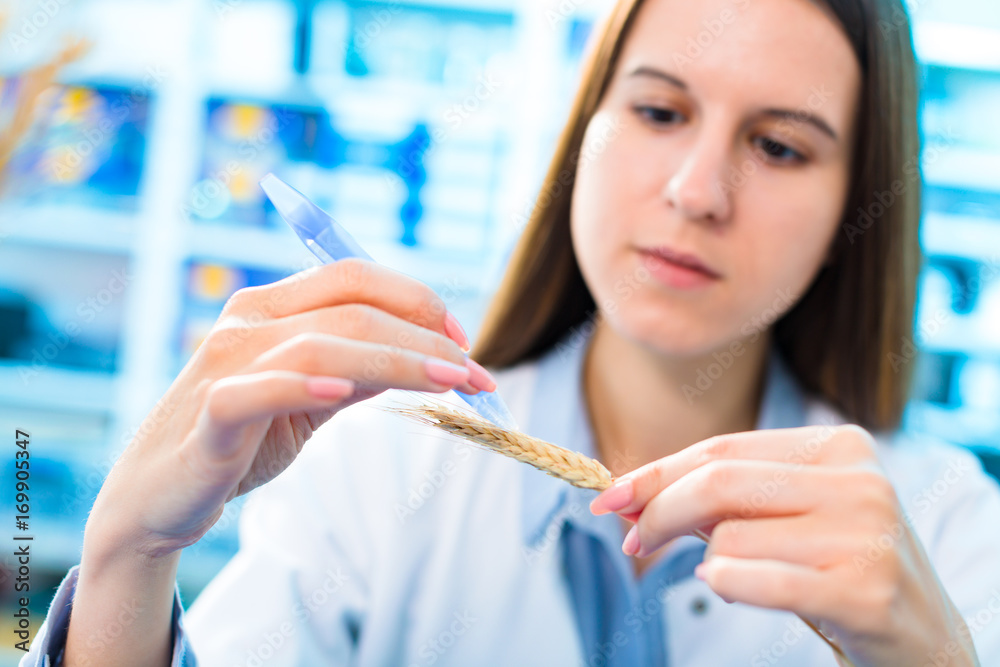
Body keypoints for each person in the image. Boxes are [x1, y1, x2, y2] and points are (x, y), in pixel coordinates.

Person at [20, 0, 1000, 664]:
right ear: (585, 128)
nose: (695, 191)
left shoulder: (945, 524)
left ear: (855, 210)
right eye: (658, 109)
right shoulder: (378, 461)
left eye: (779, 146)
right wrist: (124, 560)